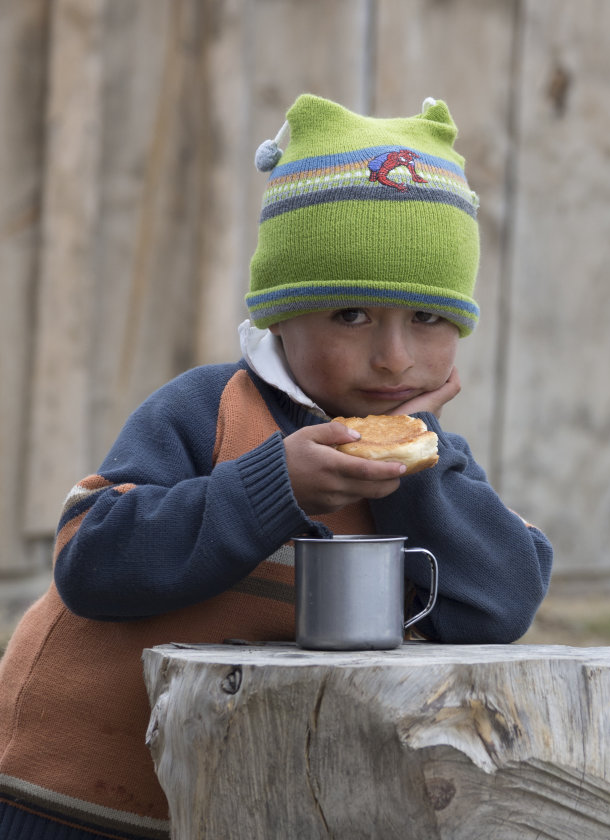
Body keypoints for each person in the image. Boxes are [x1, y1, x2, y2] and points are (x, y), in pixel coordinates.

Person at [0, 93, 553, 840]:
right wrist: (270, 488)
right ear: (279, 315)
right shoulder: (212, 409)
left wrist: (419, 461)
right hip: (69, 802)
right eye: (350, 316)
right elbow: (90, 558)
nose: (393, 355)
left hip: (246, 807)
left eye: (427, 319)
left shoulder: (430, 464)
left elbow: (503, 602)